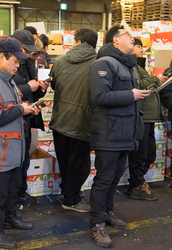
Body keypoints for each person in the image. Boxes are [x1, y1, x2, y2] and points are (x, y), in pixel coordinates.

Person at [88, 25, 151, 248]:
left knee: (114, 179)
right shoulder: (103, 63)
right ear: (116, 40)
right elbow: (100, 96)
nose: (133, 40)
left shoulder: (129, 65)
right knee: (104, 180)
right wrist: (131, 94)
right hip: (109, 132)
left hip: (125, 132)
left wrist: (140, 92)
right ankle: (96, 223)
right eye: (128, 36)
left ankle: (107, 213)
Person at [0, 37, 41, 249]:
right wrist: (20, 109)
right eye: (15, 60)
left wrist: (26, 108)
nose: (18, 65)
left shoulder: (8, 79)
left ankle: (9, 218)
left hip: (13, 147)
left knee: (13, 189)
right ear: (2, 57)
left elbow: (9, 106)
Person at [49, 28, 98, 212]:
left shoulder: (60, 61)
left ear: (76, 41)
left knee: (65, 160)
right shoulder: (98, 63)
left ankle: (68, 192)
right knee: (80, 164)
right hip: (82, 122)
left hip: (60, 119)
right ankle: (71, 200)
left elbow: (53, 84)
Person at [12, 29, 49, 203]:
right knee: (16, 161)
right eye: (26, 50)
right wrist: (29, 87)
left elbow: (28, 85)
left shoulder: (26, 62)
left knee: (24, 158)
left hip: (26, 117)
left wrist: (38, 87)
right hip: (12, 120)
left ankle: (21, 192)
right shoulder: (7, 66)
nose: (29, 54)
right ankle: (14, 197)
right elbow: (6, 92)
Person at [128, 38, 167, 201]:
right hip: (141, 117)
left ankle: (138, 182)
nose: (141, 49)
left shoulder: (141, 66)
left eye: (141, 46)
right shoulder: (131, 66)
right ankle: (136, 186)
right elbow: (137, 84)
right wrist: (155, 79)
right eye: (137, 46)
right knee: (140, 154)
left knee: (150, 153)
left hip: (150, 117)